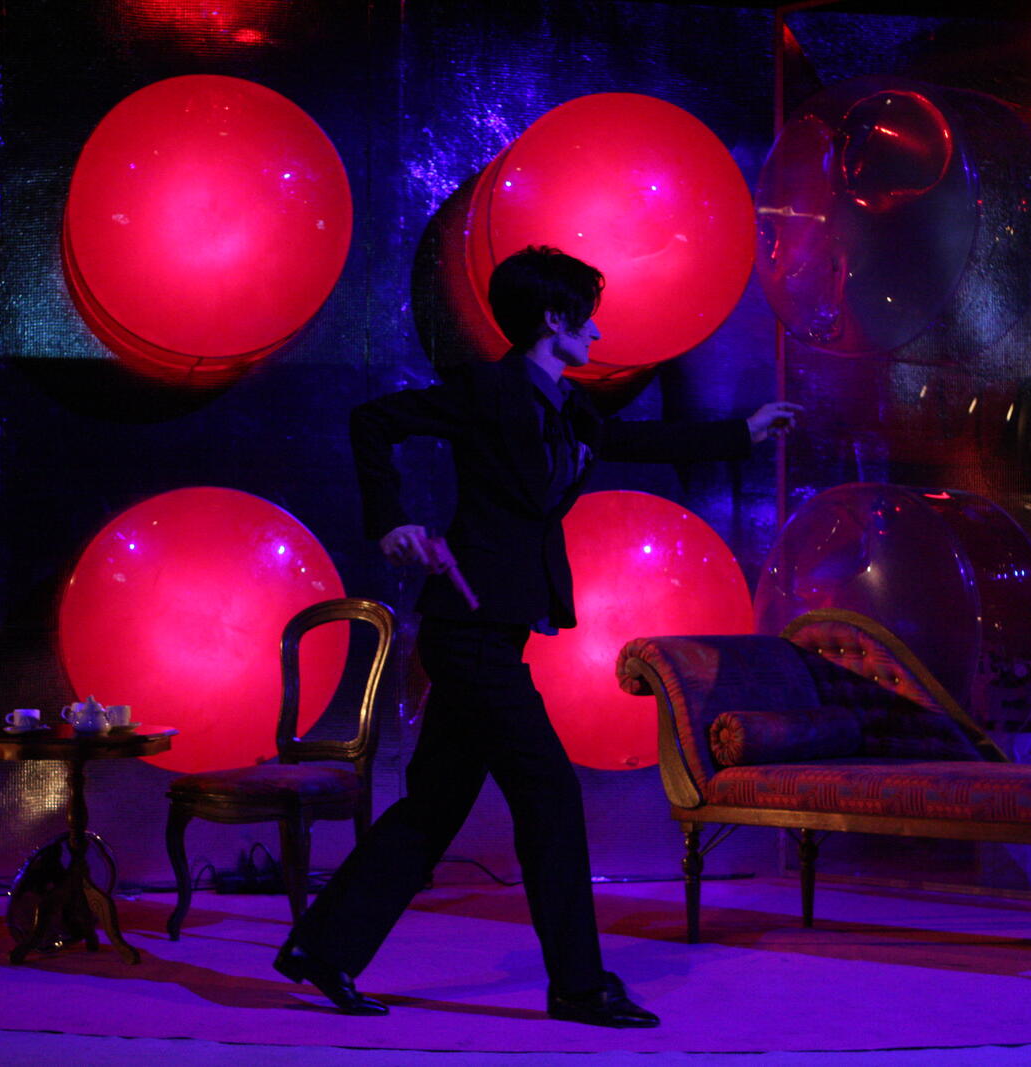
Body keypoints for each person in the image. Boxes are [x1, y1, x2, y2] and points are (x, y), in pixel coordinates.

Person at [274, 245, 800, 1026]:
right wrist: (392, 522)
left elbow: (634, 442)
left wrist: (741, 433)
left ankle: (322, 947)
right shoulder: (487, 391)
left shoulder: (570, 407)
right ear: (554, 318)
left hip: (493, 632)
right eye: (587, 316)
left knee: (432, 808)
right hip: (470, 634)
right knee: (549, 798)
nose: (598, 330)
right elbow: (373, 422)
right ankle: (579, 984)